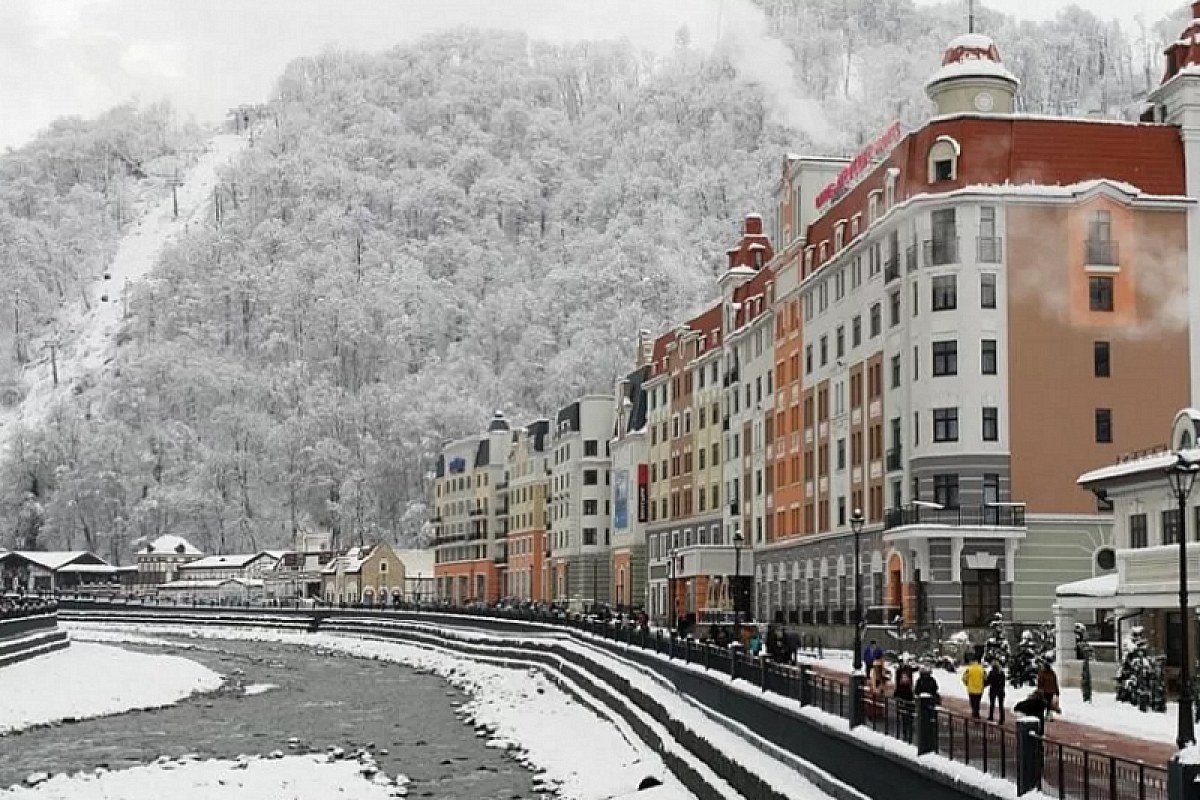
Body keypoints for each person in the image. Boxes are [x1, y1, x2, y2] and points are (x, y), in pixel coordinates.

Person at [894, 657, 916, 742]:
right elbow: (897, 682)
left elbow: (914, 669)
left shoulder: (908, 669)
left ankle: (909, 726)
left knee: (909, 710)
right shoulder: (899, 671)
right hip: (903, 693)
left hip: (908, 693)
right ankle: (906, 728)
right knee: (904, 712)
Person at [986, 659, 1007, 724]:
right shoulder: (1002, 672)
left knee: (992, 704)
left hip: (993, 690)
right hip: (1001, 691)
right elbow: (1003, 682)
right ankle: (1002, 719)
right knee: (1001, 705)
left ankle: (991, 717)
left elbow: (988, 681)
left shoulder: (991, 672)